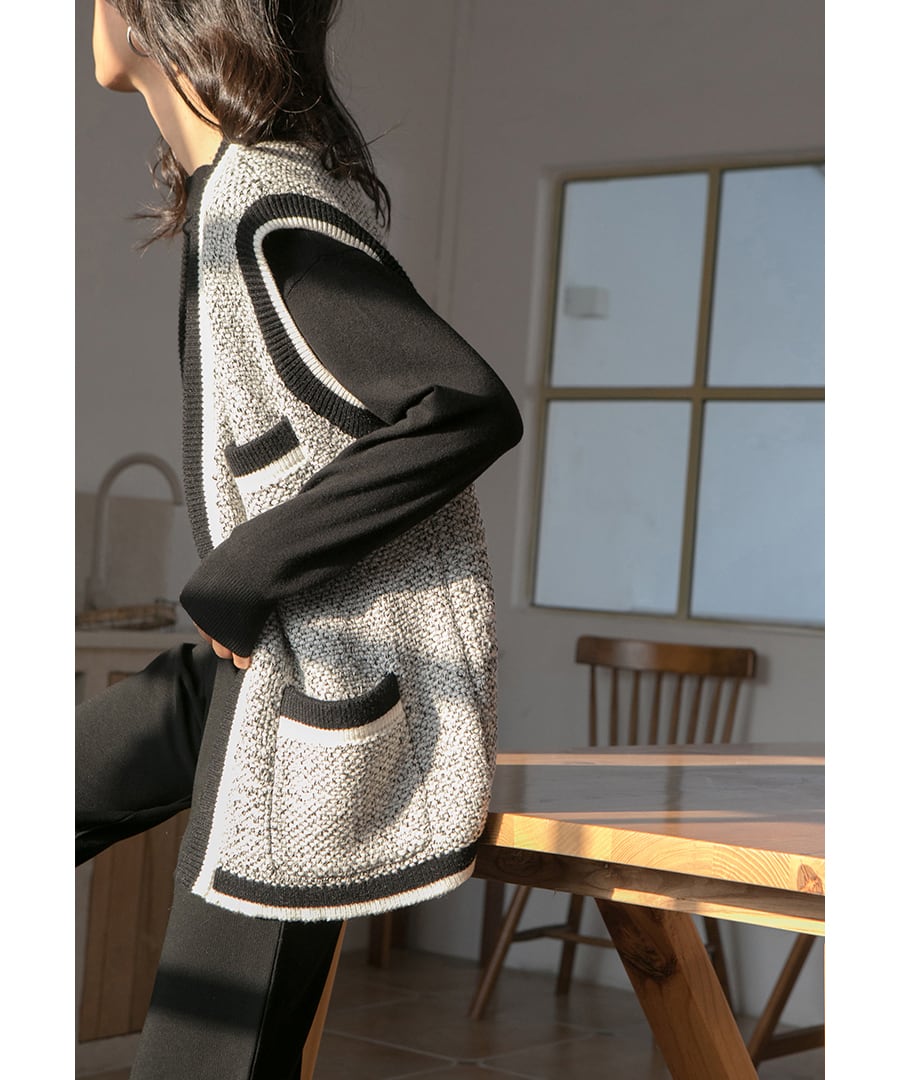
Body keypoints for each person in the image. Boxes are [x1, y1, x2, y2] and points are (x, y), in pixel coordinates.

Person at [77, 1, 523, 1077]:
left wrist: (242, 574)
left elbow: (462, 404)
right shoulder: (234, 196)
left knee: (203, 1058)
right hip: (254, 666)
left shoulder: (268, 207)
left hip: (310, 689)